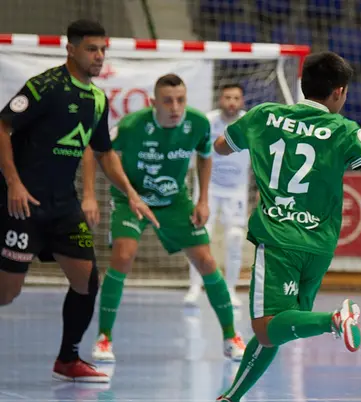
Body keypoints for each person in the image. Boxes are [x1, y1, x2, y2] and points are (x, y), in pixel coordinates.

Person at [211, 51, 361, 402]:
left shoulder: (263, 115)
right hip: (319, 244)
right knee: (282, 326)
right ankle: (231, 399)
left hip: (279, 237)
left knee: (266, 328)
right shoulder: (344, 130)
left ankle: (334, 320)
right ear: (339, 92)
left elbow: (221, 147)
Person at [0, 19, 157, 382]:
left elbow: (104, 152)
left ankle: (68, 359)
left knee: (87, 280)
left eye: (103, 49)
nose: (99, 56)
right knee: (7, 294)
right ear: (70, 49)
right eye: (91, 49)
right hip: (23, 204)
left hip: (63, 207)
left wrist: (131, 193)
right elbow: (2, 127)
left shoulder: (97, 99)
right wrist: (13, 183)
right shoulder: (44, 87)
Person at [86, 74, 246, 363]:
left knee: (206, 261)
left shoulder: (197, 123)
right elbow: (97, 150)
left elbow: (205, 155)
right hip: (131, 198)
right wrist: (104, 194)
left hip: (174, 200)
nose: (175, 107)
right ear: (153, 103)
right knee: (123, 256)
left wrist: (203, 199)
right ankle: (104, 337)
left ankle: (230, 336)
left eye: (180, 100)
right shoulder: (132, 125)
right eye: (168, 101)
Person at [185, 83, 249, 308]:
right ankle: (194, 287)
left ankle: (230, 289)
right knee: (200, 235)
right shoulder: (207, 121)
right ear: (220, 99)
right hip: (208, 188)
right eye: (227, 97)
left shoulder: (249, 122)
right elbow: (191, 151)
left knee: (235, 238)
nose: (231, 102)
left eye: (236, 98)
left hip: (236, 189)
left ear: (242, 101)